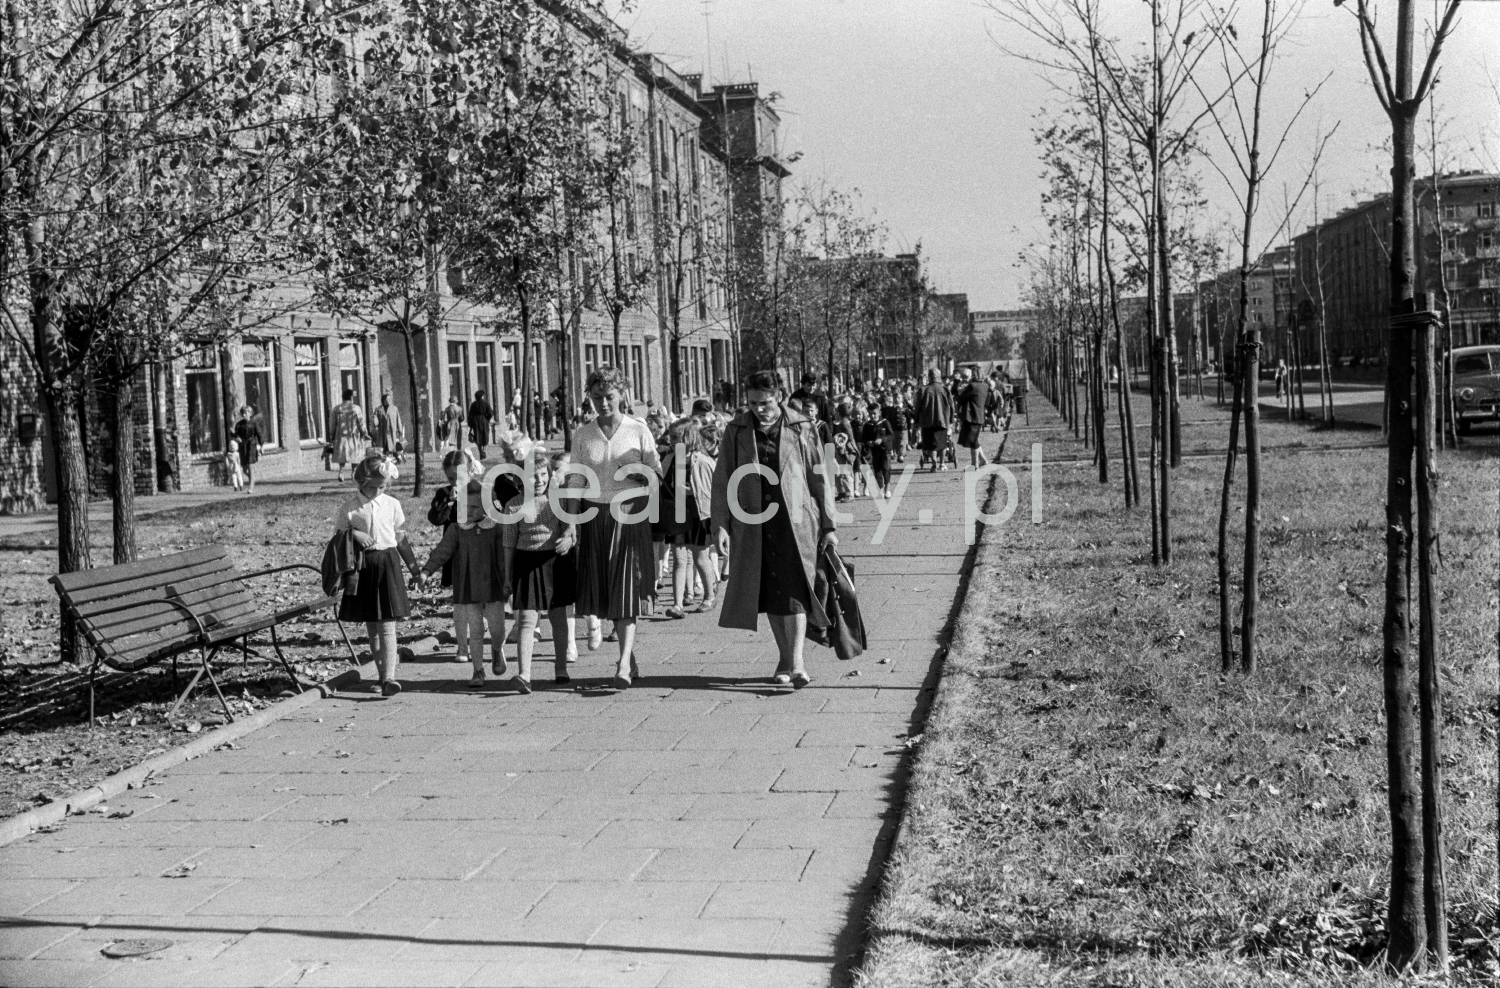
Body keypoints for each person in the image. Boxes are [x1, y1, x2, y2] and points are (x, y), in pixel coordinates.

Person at [712, 370, 838, 688]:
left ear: (779, 396)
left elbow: (819, 476)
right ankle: (784, 658)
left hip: (796, 523)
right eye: (753, 403)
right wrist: (720, 526)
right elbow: (723, 478)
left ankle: (796, 662)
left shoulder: (801, 426)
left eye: (765, 402)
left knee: (794, 590)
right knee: (770, 593)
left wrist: (829, 525)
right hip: (753, 523)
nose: (759, 409)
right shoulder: (736, 430)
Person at [565, 366, 661, 690]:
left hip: (630, 515)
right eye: (597, 398)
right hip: (594, 517)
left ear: (622, 395)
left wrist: (641, 474)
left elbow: (656, 471)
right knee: (606, 592)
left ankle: (621, 664)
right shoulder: (583, 434)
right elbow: (576, 480)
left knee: (626, 589)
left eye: (610, 397)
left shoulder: (638, 430)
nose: (603, 404)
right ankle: (629, 658)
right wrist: (570, 523)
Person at [334, 452, 421, 696]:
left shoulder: (392, 504)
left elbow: (401, 539)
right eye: (374, 487)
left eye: (383, 487)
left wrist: (414, 568)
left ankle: (391, 677)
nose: (379, 491)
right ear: (362, 483)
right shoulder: (350, 509)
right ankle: (382, 675)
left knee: (388, 623)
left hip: (388, 564)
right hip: (363, 568)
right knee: (373, 624)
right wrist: (353, 535)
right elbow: (337, 539)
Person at [419, 473, 511, 690]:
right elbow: (442, 551)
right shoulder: (456, 529)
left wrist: (508, 581)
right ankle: (478, 670)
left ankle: (497, 649)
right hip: (467, 585)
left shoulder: (496, 528)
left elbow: (504, 557)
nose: (469, 511)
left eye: (476, 507)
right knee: (476, 629)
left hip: (494, 585)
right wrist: (426, 571)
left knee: (498, 628)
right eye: (465, 506)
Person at [504, 448, 579, 687]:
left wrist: (568, 539)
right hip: (526, 563)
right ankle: (524, 673)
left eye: (542, 475)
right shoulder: (513, 506)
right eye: (532, 476)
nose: (538, 481)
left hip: (555, 562)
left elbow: (571, 528)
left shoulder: (559, 499)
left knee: (558, 618)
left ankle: (560, 668)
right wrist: (507, 576)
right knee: (526, 619)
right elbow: (508, 545)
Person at [656, 420, 719, 618]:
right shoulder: (671, 458)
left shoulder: (701, 460)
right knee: (679, 559)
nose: (670, 440)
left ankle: (709, 596)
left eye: (675, 437)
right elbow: (662, 481)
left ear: (687, 437)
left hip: (699, 513)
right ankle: (677, 605)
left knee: (701, 557)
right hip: (678, 512)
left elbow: (713, 488)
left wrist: (693, 491)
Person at [916, 368, 954, 473]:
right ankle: (942, 463)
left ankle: (934, 465)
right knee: (942, 444)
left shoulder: (923, 390)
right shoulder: (945, 389)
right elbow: (951, 406)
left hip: (927, 421)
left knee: (930, 444)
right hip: (942, 420)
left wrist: (916, 419)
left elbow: (917, 406)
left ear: (929, 377)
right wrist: (951, 419)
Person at [955, 368, 990, 468]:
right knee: (974, 439)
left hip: (971, 416)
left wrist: (960, 391)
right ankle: (983, 460)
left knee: (972, 441)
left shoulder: (972, 386)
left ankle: (975, 464)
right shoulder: (985, 386)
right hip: (979, 415)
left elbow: (962, 398)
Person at [329, 391, 367, 482]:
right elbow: (361, 423)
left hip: (341, 435)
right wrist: (364, 433)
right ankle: (353, 473)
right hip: (354, 435)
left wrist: (332, 435)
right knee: (355, 454)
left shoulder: (337, 409)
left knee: (342, 453)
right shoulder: (356, 408)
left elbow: (332, 424)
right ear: (351, 398)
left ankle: (341, 472)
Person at [231, 406, 262, 493]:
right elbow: (234, 434)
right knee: (244, 468)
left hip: (251, 444)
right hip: (242, 446)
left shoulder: (254, 423)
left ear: (250, 413)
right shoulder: (239, 424)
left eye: (246, 413)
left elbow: (259, 434)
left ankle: (251, 487)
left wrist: (261, 446)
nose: (244, 415)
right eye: (243, 413)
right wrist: (236, 437)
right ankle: (253, 479)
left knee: (250, 464)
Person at [371, 393, 405, 461]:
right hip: (382, 432)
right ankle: (384, 462)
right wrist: (374, 419)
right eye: (387, 399)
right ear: (383, 400)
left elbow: (398, 420)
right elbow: (375, 421)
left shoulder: (394, 408)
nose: (389, 400)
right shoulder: (378, 409)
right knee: (382, 448)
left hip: (391, 431)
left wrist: (400, 431)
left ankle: (390, 461)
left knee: (391, 448)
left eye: (390, 399)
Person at [468, 390, 494, 459]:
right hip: (484, 421)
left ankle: (480, 451)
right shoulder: (485, 403)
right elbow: (490, 413)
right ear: (482, 396)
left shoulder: (473, 404)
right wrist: (487, 419)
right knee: (485, 435)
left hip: (476, 422)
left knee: (477, 436)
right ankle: (484, 450)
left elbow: (470, 415)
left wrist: (471, 424)